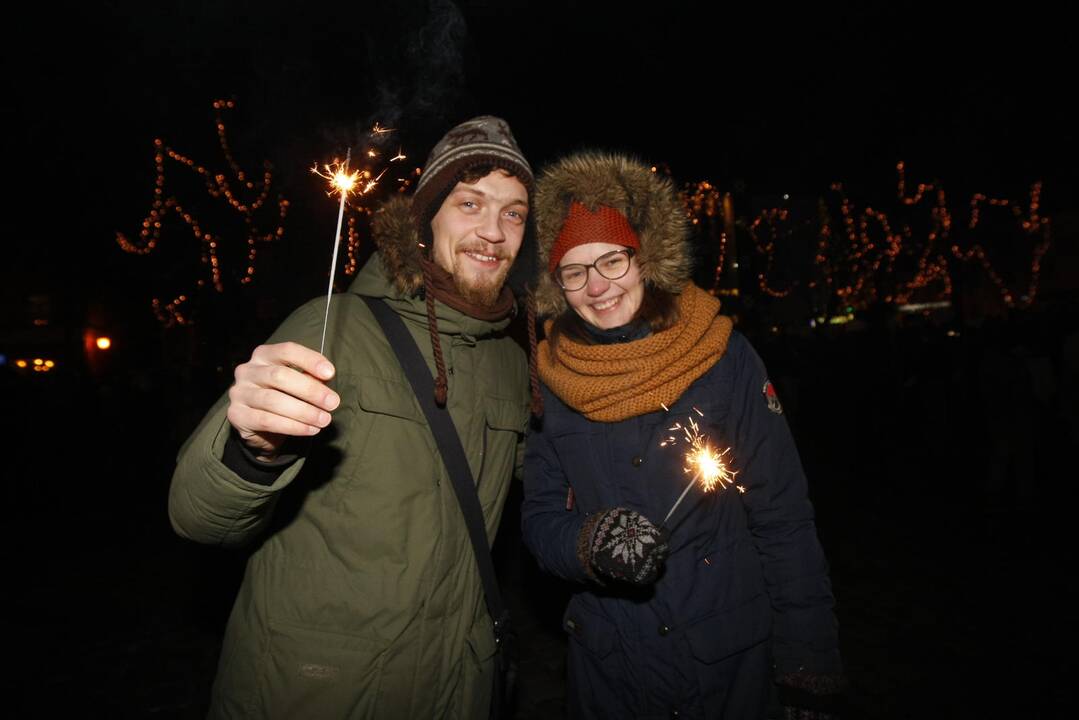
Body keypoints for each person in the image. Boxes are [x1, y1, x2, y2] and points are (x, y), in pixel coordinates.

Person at [169, 116, 534, 718]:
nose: (493, 231)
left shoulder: (511, 365)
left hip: (457, 689)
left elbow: (547, 483)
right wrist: (252, 449)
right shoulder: (333, 326)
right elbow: (197, 517)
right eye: (470, 203)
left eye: (514, 212)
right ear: (426, 218)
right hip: (320, 689)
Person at [521, 151, 844, 719]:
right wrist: (588, 545)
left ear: (643, 258)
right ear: (556, 284)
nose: (597, 287)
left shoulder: (722, 357)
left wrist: (806, 659)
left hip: (729, 671)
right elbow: (540, 518)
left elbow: (783, 515)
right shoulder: (551, 379)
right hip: (611, 673)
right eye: (575, 271)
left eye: (612, 261)